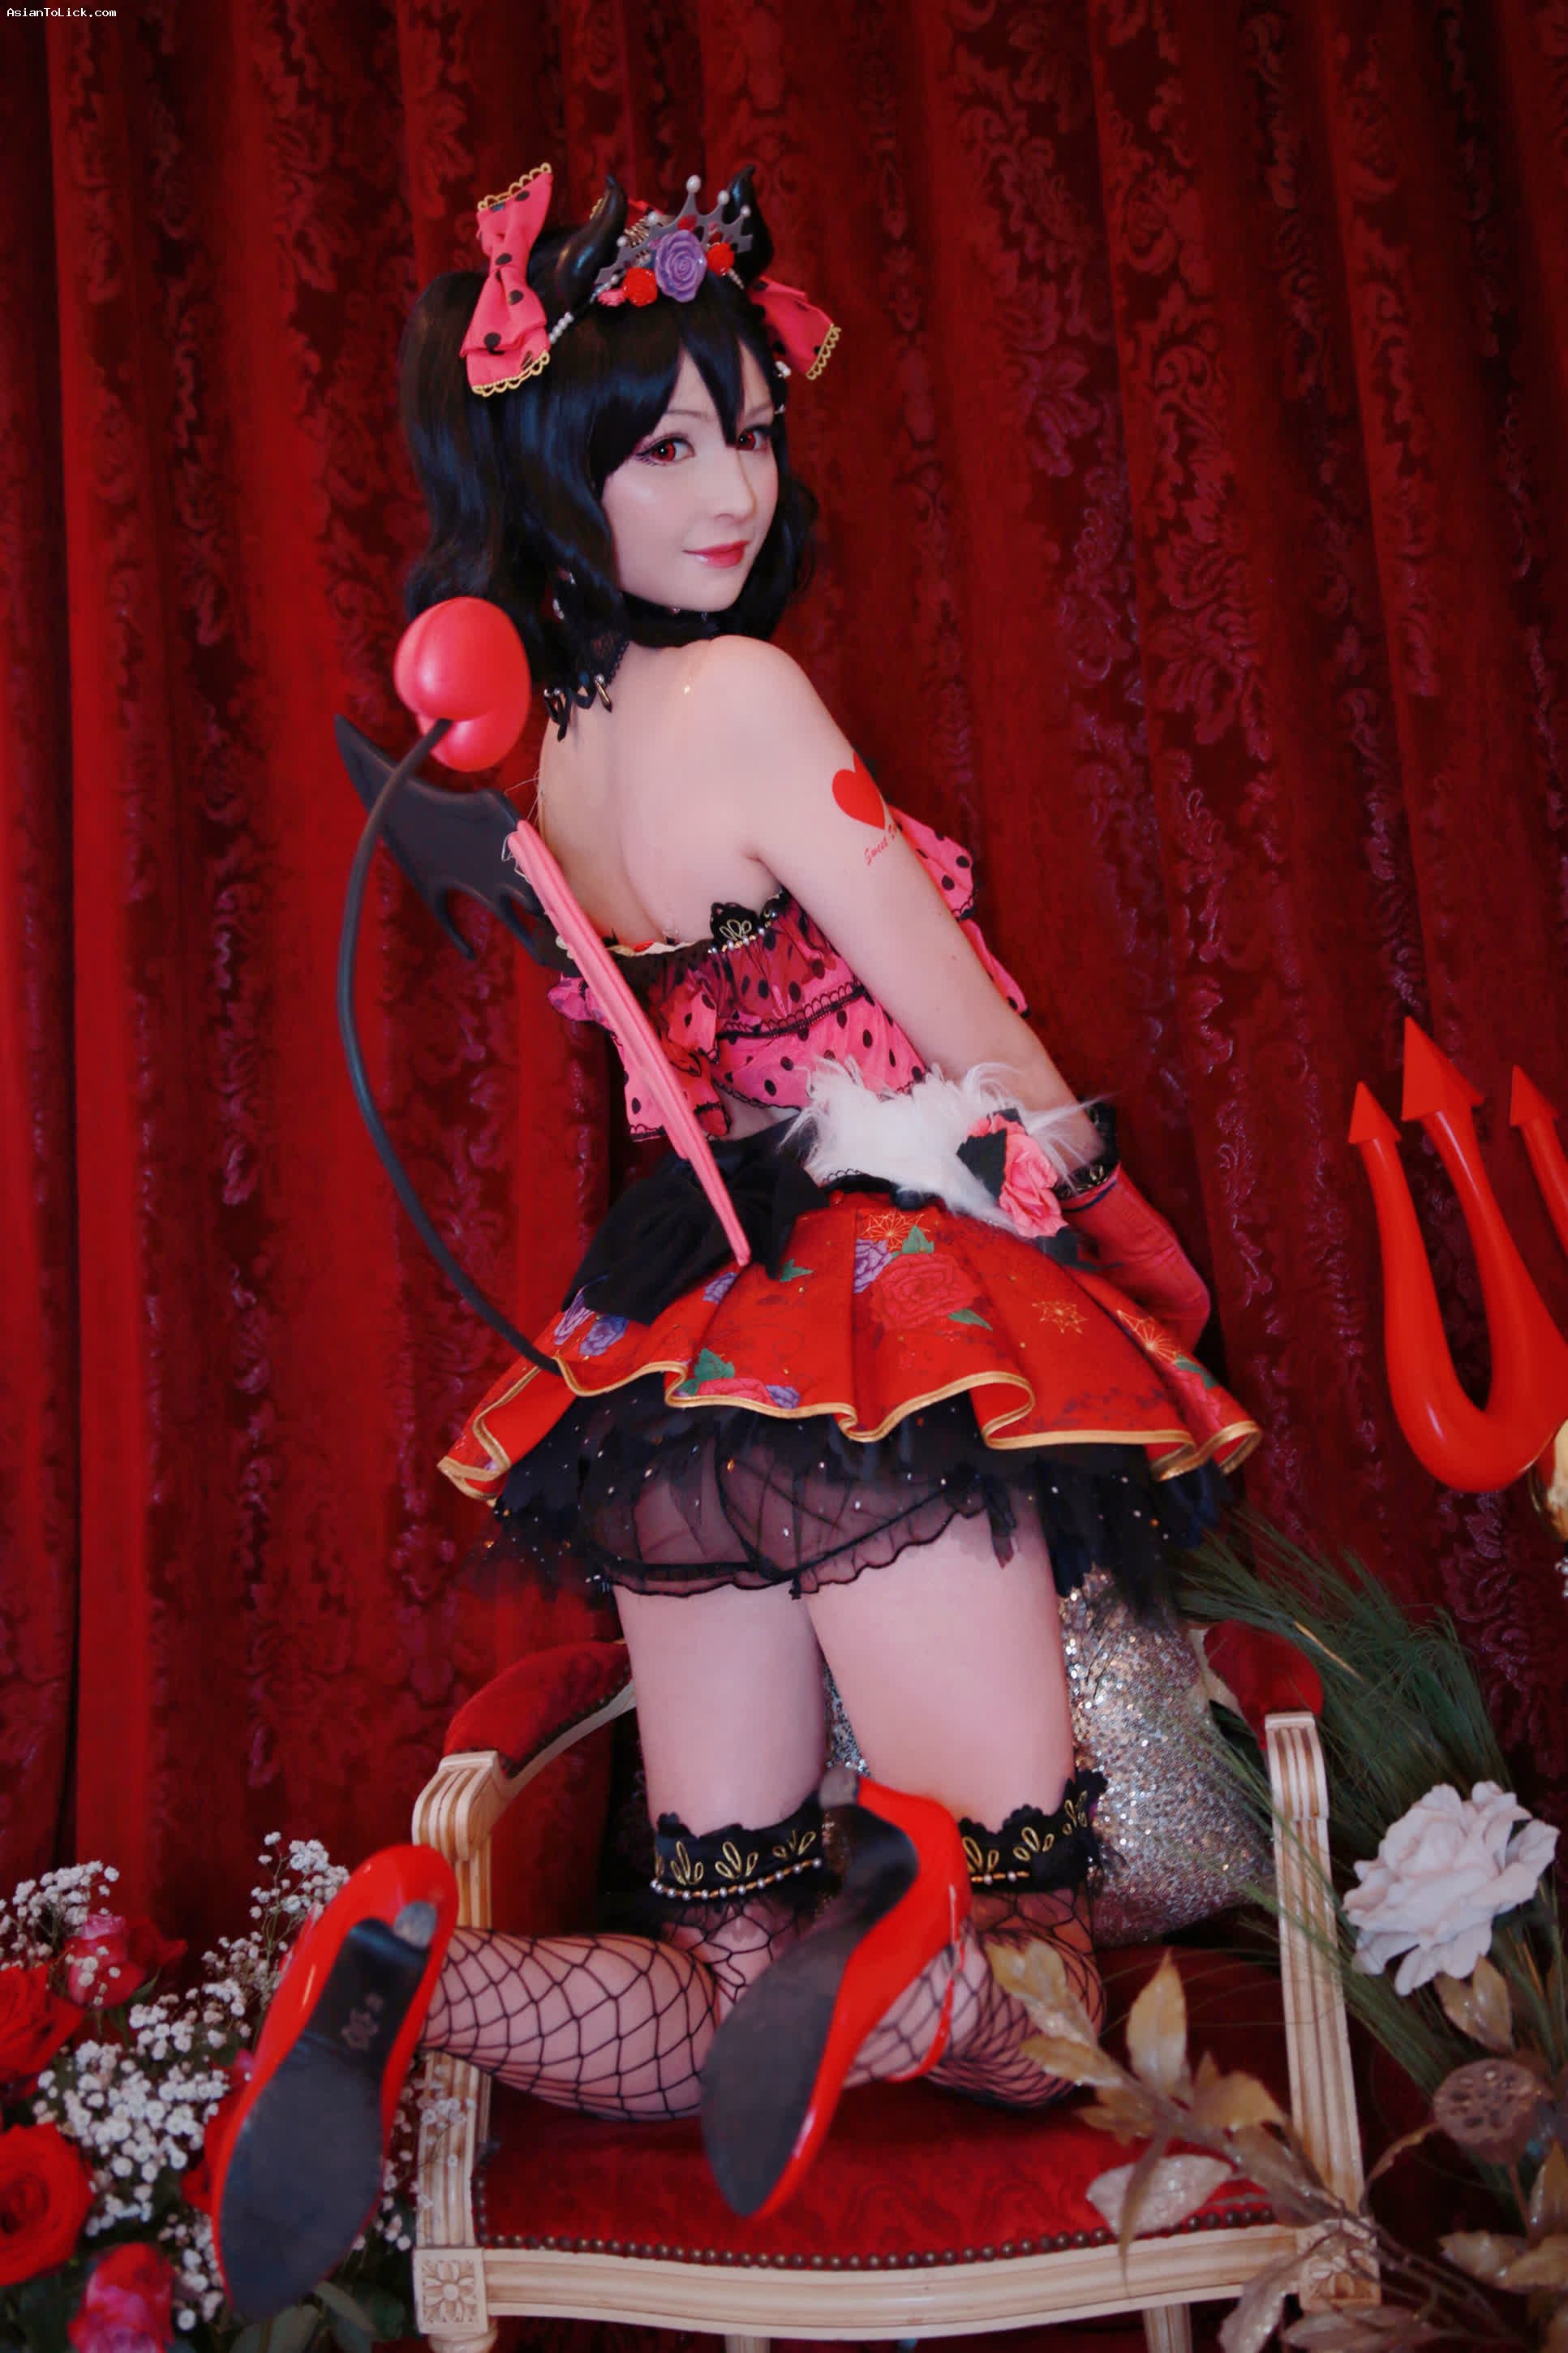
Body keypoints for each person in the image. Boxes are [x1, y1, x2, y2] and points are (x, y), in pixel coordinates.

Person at [210, 161, 1260, 2319]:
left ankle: (415, 1973)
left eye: (753, 431)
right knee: (1032, 1940)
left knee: (724, 1957)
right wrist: (1102, 1200)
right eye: (666, 446)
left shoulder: (546, 755)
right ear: (556, 467)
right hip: (886, 1318)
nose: (732, 489)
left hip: (676, 1371)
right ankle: (918, 1936)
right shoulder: (751, 695)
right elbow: (958, 1014)